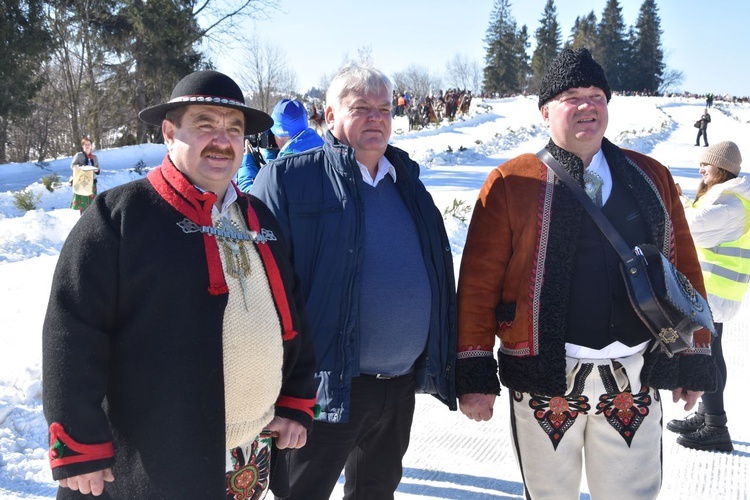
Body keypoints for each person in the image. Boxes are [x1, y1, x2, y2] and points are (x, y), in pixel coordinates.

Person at [42, 70, 317, 499]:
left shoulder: (260, 218)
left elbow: (291, 316)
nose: (222, 139)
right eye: (205, 124)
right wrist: (78, 443)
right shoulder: (118, 217)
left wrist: (295, 402)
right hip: (153, 466)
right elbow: (72, 332)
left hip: (250, 456)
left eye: (233, 129)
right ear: (170, 133)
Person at [456, 48, 716, 500]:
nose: (586, 106)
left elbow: (683, 270)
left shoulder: (650, 175)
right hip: (545, 384)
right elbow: (478, 285)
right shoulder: (511, 182)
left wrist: (694, 358)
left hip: (634, 378)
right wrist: (475, 374)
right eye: (571, 96)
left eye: (596, 95)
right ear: (545, 112)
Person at [252, 63, 457, 500]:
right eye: (361, 108)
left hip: (397, 388)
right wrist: (280, 390)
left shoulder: (407, 182)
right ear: (329, 117)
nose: (376, 119)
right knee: (301, 493)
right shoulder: (289, 179)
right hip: (322, 387)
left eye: (384, 109)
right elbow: (260, 288)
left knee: (376, 493)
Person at [667, 141, 748, 453]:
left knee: (709, 354)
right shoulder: (724, 197)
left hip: (714, 290)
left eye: (707, 165)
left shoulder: (732, 204)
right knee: (711, 350)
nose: (701, 169)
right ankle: (705, 416)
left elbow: (691, 226)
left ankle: (716, 426)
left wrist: (676, 200)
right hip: (711, 289)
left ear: (722, 168)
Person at [236, 99, 323, 192]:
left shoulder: (282, 170)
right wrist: (273, 159)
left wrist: (247, 162)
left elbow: (251, 196)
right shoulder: (324, 152)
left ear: (279, 133)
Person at [70, 136, 100, 214]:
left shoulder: (94, 157)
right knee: (83, 203)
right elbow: (72, 166)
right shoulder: (79, 155)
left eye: (89, 144)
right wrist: (81, 167)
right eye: (85, 144)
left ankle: (91, 219)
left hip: (92, 182)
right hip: (82, 182)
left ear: (91, 145)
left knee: (92, 203)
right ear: (83, 146)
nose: (87, 146)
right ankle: (83, 219)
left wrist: (96, 170)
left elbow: (98, 170)